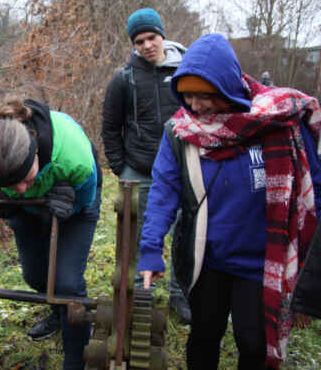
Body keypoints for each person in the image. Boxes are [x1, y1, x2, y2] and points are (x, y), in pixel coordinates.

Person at [137, 33, 321, 369]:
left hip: (262, 263)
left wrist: (311, 269)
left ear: (227, 88)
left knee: (253, 343)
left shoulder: (279, 123)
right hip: (209, 260)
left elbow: (313, 188)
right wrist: (150, 248)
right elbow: (163, 192)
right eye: (187, 95)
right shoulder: (181, 133)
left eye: (204, 95)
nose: (194, 105)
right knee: (204, 334)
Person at [0, 95, 101, 370]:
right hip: (29, 209)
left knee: (67, 284)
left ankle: (76, 351)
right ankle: (59, 313)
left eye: (26, 178)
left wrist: (66, 203)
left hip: (75, 201)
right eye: (12, 185)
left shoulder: (73, 160)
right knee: (35, 276)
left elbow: (84, 204)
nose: (22, 190)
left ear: (35, 152)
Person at [101, 7, 191, 323]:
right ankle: (141, 294)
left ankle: (181, 295)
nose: (147, 45)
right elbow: (110, 127)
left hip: (182, 172)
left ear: (162, 35)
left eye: (151, 37)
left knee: (184, 235)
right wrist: (120, 167)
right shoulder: (124, 78)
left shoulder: (186, 71)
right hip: (140, 171)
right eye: (139, 41)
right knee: (136, 236)